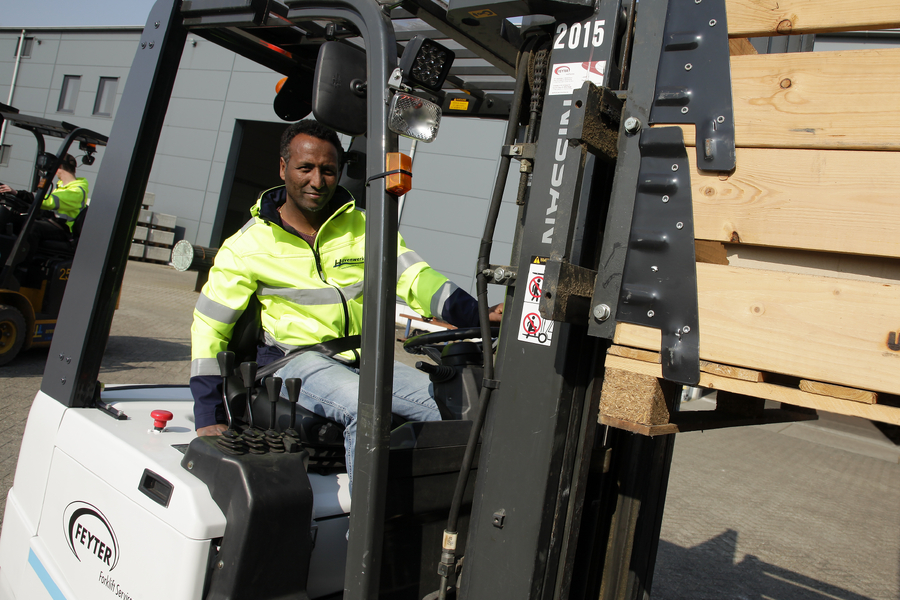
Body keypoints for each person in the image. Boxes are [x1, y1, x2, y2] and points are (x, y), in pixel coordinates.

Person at [190, 120, 501, 487]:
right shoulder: (248, 246)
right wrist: (208, 413)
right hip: (295, 361)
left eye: (328, 170)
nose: (317, 181)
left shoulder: (364, 229)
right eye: (305, 168)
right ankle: (367, 538)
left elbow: (415, 277)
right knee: (367, 410)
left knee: (462, 407)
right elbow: (210, 328)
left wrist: (477, 313)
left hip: (362, 358)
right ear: (283, 167)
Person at [0, 153, 89, 243]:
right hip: (50, 221)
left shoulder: (76, 191)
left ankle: (22, 256)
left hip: (62, 228)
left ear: (60, 166)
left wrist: (18, 193)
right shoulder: (62, 186)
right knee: (12, 219)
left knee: (31, 228)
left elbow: (48, 201)